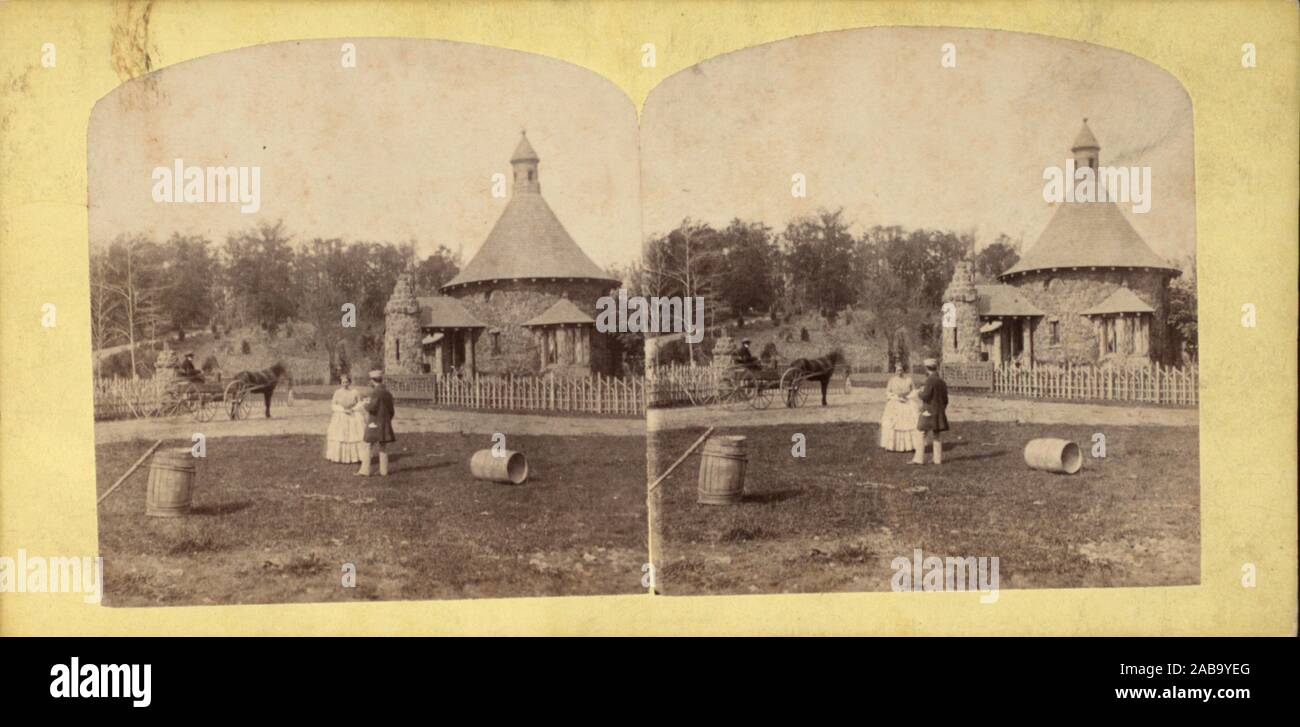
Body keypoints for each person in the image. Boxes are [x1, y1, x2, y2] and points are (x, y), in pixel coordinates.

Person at [357, 369, 396, 477]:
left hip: (374, 423)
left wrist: (364, 404)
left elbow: (372, 407)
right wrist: (386, 420)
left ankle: (365, 470)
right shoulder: (387, 393)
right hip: (384, 423)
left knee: (367, 445)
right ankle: (384, 471)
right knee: (383, 447)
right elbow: (391, 411)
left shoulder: (375, 392)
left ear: (372, 380)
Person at [911, 357, 950, 465]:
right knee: (937, 435)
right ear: (935, 367)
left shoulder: (929, 380)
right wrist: (941, 410)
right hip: (939, 412)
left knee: (920, 433)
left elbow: (926, 396)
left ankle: (919, 459)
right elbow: (946, 400)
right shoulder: (942, 381)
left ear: (927, 368)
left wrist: (919, 392)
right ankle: (937, 460)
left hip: (928, 412)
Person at [324, 373, 365, 463]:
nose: (345, 384)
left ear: (349, 382)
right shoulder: (337, 392)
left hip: (353, 415)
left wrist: (353, 409)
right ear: (340, 383)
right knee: (340, 435)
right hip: (341, 416)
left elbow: (360, 403)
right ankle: (340, 457)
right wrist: (342, 410)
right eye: (343, 382)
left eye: (347, 382)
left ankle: (355, 457)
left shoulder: (355, 392)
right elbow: (333, 405)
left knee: (354, 436)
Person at [879, 363, 919, 451]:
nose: (899, 372)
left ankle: (910, 446)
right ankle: (892, 445)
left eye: (901, 370)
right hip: (895, 403)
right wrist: (896, 397)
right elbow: (888, 393)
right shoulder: (892, 380)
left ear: (903, 370)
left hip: (907, 402)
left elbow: (914, 391)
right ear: (895, 371)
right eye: (897, 370)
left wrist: (908, 397)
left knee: (909, 423)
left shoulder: (909, 379)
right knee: (893, 424)